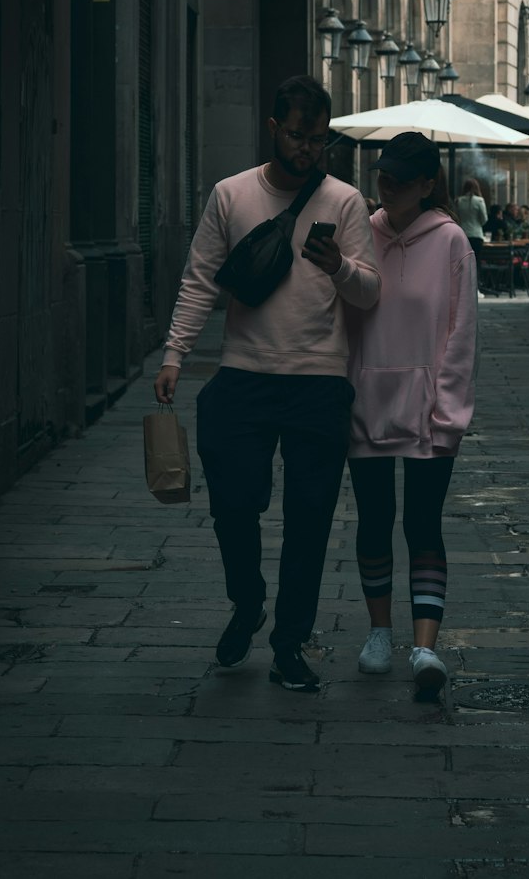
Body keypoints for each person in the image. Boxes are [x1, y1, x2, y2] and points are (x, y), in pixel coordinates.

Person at [154, 74, 380, 693]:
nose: (308, 148)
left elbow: (370, 291)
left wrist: (341, 268)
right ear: (274, 128)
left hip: (318, 383)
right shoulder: (231, 195)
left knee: (308, 520)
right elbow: (200, 278)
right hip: (243, 378)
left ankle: (288, 645)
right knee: (233, 505)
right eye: (299, 135)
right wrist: (174, 354)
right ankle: (247, 597)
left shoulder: (345, 201)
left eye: (319, 138)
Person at [346, 131, 478, 700]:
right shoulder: (359, 233)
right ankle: (380, 632)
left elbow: (461, 334)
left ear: (427, 185)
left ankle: (426, 646)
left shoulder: (451, 242)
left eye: (402, 177)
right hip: (364, 406)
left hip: (429, 411)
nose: (389, 184)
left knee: (422, 524)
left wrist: (448, 412)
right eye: (383, 175)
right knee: (374, 522)